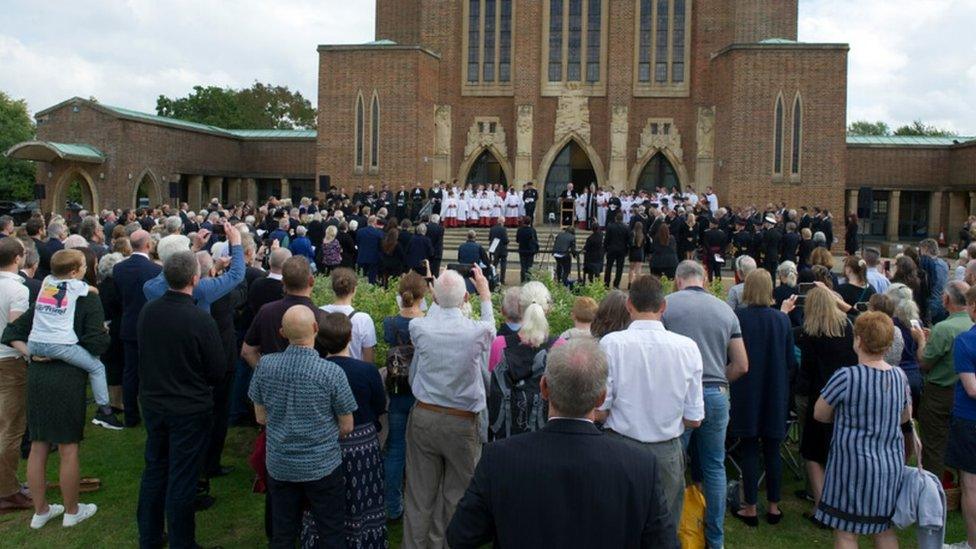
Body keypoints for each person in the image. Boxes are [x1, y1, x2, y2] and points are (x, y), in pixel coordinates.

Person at [447, 339, 679, 548]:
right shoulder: (639, 466)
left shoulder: (500, 458)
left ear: (544, 388)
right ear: (601, 397)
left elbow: (461, 535)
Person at [2, 242, 109, 529]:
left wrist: (32, 353)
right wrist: (102, 335)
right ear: (77, 271)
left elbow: (12, 332)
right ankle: (72, 511)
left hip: (38, 376)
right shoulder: (88, 299)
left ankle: (41, 510)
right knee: (67, 447)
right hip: (66, 377)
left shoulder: (46, 294)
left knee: (39, 445)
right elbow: (98, 342)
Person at [596, 274, 703, 529]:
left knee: (619, 523)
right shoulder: (686, 348)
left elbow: (601, 407)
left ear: (629, 305)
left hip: (623, 444)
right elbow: (694, 418)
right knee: (662, 526)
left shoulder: (612, 344)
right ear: (663, 306)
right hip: (663, 448)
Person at [136, 250, 226, 548]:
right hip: (187, 407)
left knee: (156, 468)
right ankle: (180, 542)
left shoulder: (149, 311)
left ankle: (149, 537)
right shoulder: (199, 319)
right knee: (181, 476)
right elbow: (217, 370)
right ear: (194, 279)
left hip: (155, 402)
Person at [249, 306, 356, 548]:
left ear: (282, 333)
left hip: (281, 464)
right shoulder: (331, 372)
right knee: (331, 533)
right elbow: (347, 425)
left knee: (283, 533)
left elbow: (260, 417)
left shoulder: (265, 365)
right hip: (323, 466)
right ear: (316, 329)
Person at [402, 266, 495, 548]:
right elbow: (490, 327)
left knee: (419, 495)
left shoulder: (419, 326)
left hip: (427, 417)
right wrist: (485, 294)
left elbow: (435, 315)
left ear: (435, 299)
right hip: (460, 423)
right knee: (456, 496)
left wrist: (441, 297)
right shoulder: (476, 331)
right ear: (466, 297)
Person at [663, 260, 749, 549]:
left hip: (679, 393)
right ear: (706, 278)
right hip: (715, 392)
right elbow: (741, 364)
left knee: (674, 464)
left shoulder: (667, 306)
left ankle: (671, 533)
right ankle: (716, 539)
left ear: (678, 280)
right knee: (714, 465)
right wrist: (715, 379)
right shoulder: (725, 309)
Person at [813, 312, 912, 546]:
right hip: (889, 466)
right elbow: (905, 417)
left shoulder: (846, 377)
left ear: (858, 340)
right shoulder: (900, 376)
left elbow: (820, 413)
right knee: (883, 528)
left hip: (851, 467)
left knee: (846, 530)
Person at [304, 312, 387, 548]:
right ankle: (364, 540)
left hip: (326, 441)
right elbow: (379, 406)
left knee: (324, 500)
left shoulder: (315, 370)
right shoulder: (366, 371)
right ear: (350, 336)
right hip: (361, 444)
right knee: (362, 497)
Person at [25, 249, 121, 430]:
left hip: (35, 342)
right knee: (97, 367)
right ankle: (105, 411)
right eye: (85, 266)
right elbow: (93, 290)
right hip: (60, 343)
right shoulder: (76, 286)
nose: (87, 269)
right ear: (73, 273)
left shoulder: (46, 281)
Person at [730, 270, 796, 526]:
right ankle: (774, 506)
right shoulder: (781, 320)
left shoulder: (739, 318)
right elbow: (791, 360)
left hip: (748, 389)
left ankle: (750, 507)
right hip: (775, 389)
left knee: (749, 447)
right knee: (771, 449)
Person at [796, 287, 858, 524]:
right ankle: (837, 500)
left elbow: (807, 370)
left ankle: (822, 507)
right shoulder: (848, 328)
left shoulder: (811, 333)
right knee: (837, 450)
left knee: (812, 452)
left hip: (819, 396)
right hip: (845, 396)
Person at [913, 280, 973, 479]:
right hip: (963, 394)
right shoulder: (970, 326)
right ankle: (957, 485)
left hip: (939, 394)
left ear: (947, 299)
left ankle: (934, 490)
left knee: (934, 445)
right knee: (959, 443)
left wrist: (921, 340)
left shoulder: (944, 328)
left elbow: (925, 362)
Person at [381, 272, 425, 521]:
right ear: (422, 295)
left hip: (398, 390)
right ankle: (418, 502)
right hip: (421, 390)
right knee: (421, 451)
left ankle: (392, 505)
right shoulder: (425, 323)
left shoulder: (391, 323)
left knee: (396, 448)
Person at [112, 229, 162, 427]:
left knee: (131, 372)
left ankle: (131, 415)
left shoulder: (119, 268)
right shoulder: (155, 270)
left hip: (129, 323)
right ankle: (152, 414)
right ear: (148, 245)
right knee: (151, 371)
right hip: (150, 326)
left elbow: (119, 297)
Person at [0, 238, 31, 515]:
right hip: (9, 362)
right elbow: (13, 332)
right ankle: (7, 491)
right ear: (18, 258)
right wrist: (32, 354)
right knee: (11, 429)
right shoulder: (17, 290)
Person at [945, 285, 976, 549]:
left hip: (970, 420)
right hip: (968, 419)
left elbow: (972, 389)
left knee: (972, 486)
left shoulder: (966, 341)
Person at [319, 268, 377, 363]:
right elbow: (368, 358)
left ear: (333, 288)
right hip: (355, 372)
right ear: (354, 289)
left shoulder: (319, 313)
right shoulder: (363, 319)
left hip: (323, 369)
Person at [920, 238, 949, 323]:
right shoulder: (943, 263)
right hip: (941, 301)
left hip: (932, 302)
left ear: (925, 249)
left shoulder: (931, 265)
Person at [603, 213, 630, 288]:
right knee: (619, 268)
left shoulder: (610, 226)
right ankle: (616, 284)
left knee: (608, 267)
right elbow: (628, 240)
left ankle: (606, 283)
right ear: (622, 219)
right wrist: (627, 250)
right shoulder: (626, 227)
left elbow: (606, 239)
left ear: (615, 218)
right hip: (622, 250)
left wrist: (605, 249)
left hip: (611, 249)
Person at [356, 216, 384, 284]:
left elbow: (357, 243)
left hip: (362, 256)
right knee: (372, 278)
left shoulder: (360, 231)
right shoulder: (379, 233)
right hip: (373, 258)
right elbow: (381, 247)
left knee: (361, 277)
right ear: (375, 222)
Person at [515, 216, 538, 283]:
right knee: (529, 266)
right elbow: (535, 240)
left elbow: (517, 240)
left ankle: (522, 280)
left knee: (523, 266)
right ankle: (528, 280)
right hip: (530, 250)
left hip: (522, 250)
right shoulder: (532, 230)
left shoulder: (520, 230)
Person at [488, 217, 509, 285]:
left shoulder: (492, 228)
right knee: (503, 266)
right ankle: (502, 280)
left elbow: (489, 238)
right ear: (502, 222)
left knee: (494, 265)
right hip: (502, 250)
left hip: (494, 249)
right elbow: (506, 240)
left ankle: (494, 279)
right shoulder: (504, 229)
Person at [627, 221, 646, 286]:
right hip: (640, 253)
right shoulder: (642, 234)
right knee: (638, 270)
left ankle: (630, 283)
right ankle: (638, 284)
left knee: (631, 269)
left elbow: (629, 243)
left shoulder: (632, 233)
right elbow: (644, 244)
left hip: (633, 252)